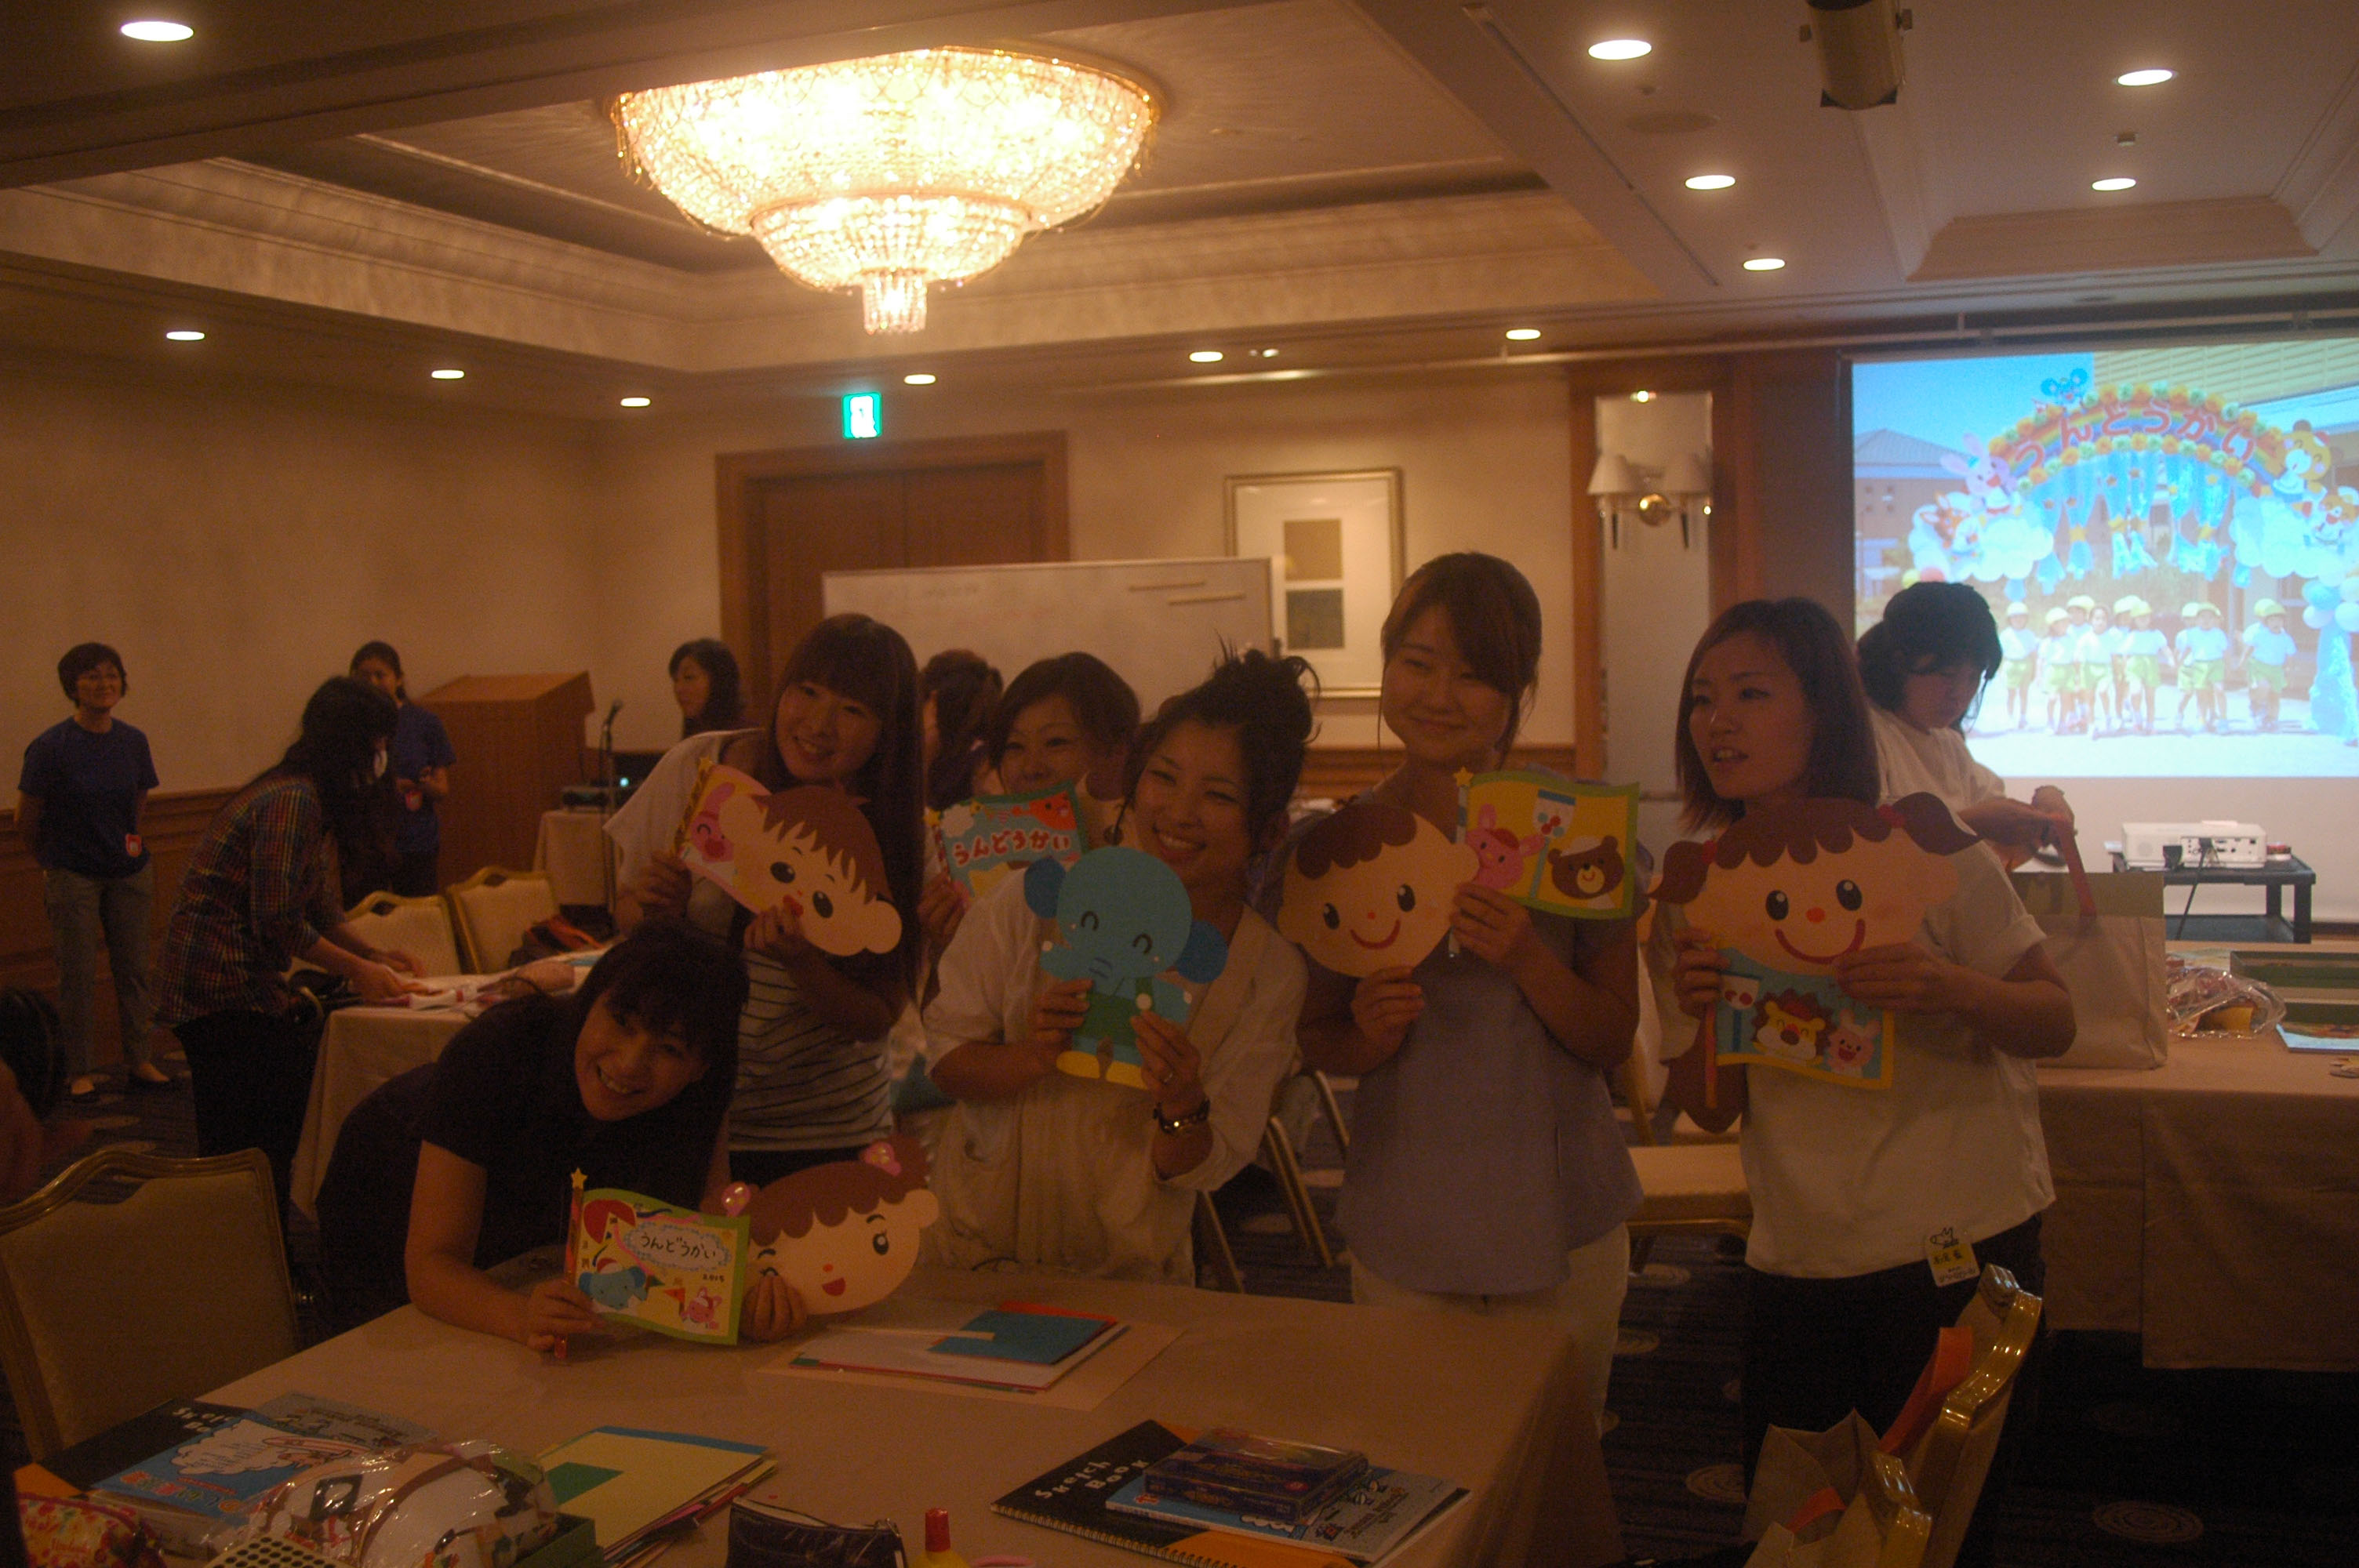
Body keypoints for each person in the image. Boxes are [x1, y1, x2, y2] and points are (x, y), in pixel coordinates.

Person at [1652, 598, 2073, 1524]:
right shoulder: (1703, 884)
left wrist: (1947, 985)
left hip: (1954, 1245)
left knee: (1937, 1523)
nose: (1717, 721)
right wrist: (1705, 1015)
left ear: (1825, 709)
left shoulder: (1923, 847)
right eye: (1701, 698)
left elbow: (2053, 1017)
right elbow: (1711, 1108)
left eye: (1750, 693)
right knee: (1801, 1521)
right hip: (1798, 1254)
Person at [1287, 553, 1638, 1428]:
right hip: (1408, 1211)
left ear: (1517, 691)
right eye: (1417, 662)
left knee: (1558, 1460)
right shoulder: (1350, 841)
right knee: (1417, 1455)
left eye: (1475, 674)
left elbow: (1611, 1037)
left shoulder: (1578, 830)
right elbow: (1316, 1033)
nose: (1439, 695)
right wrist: (1367, 1034)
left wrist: (1527, 958)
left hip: (1561, 1208)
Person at [918, 648, 1313, 1283]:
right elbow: (947, 1059)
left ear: (1269, 830)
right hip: (979, 1251)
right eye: (1164, 778)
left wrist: (1181, 1101)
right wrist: (1032, 1056)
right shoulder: (1037, 898)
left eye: (1217, 795)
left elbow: (1203, 1164)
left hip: (1132, 1276)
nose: (1178, 812)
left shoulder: (1265, 971)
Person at [315, 920, 766, 1348]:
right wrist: (519, 1315)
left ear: (701, 1068)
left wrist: (750, 1295)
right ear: (590, 1000)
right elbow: (432, 1265)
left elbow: (709, 1231)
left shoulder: (702, 1094)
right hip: (389, 1190)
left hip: (525, 1245)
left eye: (669, 1048)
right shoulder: (500, 1048)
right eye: (622, 1022)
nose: (630, 1064)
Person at [609, 615, 925, 1188]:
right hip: (686, 1106)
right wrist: (658, 912)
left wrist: (804, 965)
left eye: (853, 710)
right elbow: (625, 912)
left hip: (824, 1131)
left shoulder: (893, 829)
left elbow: (877, 1015)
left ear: (889, 731)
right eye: (808, 691)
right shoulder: (701, 768)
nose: (818, 724)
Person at [154, 677, 425, 1214]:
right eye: (377, 743)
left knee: (272, 1128)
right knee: (246, 1142)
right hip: (217, 983)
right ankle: (248, 1245)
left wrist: (372, 955)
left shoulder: (309, 797)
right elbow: (277, 917)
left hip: (241, 981)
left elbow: (319, 906)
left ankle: (266, 1240)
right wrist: (356, 970)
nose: (381, 758)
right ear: (350, 743)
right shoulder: (291, 799)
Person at [16, 643, 172, 1098]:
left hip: (129, 871)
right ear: (73, 686)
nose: (104, 684)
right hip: (73, 874)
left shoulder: (133, 741)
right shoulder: (51, 746)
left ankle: (140, 1059)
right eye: (92, 676)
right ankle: (79, 1070)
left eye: (111, 675)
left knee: (135, 969)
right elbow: (26, 817)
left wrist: (127, 842)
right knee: (78, 974)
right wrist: (51, 860)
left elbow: (138, 800)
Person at [916, 652, 1141, 956]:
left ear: (1117, 751)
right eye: (1015, 746)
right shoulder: (979, 863)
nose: (1031, 767)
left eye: (1056, 742)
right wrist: (956, 945)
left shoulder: (1149, 859)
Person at [1856, 581, 2072, 866]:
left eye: (1973, 678)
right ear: (1899, 663)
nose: (1959, 693)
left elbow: (1998, 837)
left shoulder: (1949, 744)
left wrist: (2043, 818)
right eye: (1947, 674)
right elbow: (1868, 851)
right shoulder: (1868, 736)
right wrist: (1972, 824)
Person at [349, 642, 456, 898]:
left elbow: (442, 789)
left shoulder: (424, 722)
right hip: (365, 844)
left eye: (380, 675)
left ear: (398, 679)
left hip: (415, 841)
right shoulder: (348, 724)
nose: (372, 683)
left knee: (419, 915)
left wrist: (421, 785)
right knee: (368, 915)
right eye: (364, 676)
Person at [920, 649, 1003, 812]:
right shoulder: (955, 757)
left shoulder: (982, 766)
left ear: (933, 703)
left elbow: (918, 821)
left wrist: (923, 757)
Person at [670, 638, 746, 739]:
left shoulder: (743, 737)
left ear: (719, 679)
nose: (678, 689)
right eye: (676, 680)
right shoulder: (697, 730)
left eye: (689, 677)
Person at [2240, 598, 2296, 732]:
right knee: (2264, 687)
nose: (2276, 623)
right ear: (2266, 623)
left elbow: (2290, 655)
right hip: (2260, 667)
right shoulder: (2260, 635)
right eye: (2272, 620)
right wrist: (2242, 661)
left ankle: (2272, 719)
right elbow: (2249, 648)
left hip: (2277, 670)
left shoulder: (2286, 638)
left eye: (2279, 620)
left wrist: (2289, 671)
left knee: (2275, 696)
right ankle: (2256, 706)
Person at [1995, 602, 2037, 731]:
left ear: (2026, 618)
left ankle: (2023, 718)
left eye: (2021, 616)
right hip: (2011, 665)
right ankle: (2010, 717)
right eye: (2015, 617)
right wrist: (2000, 670)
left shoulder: (2029, 634)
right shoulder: (2006, 635)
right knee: (2011, 693)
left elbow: (2033, 654)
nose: (2018, 620)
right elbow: (2001, 654)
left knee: (2024, 693)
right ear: (2009, 619)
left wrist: (2035, 670)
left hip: (2026, 664)